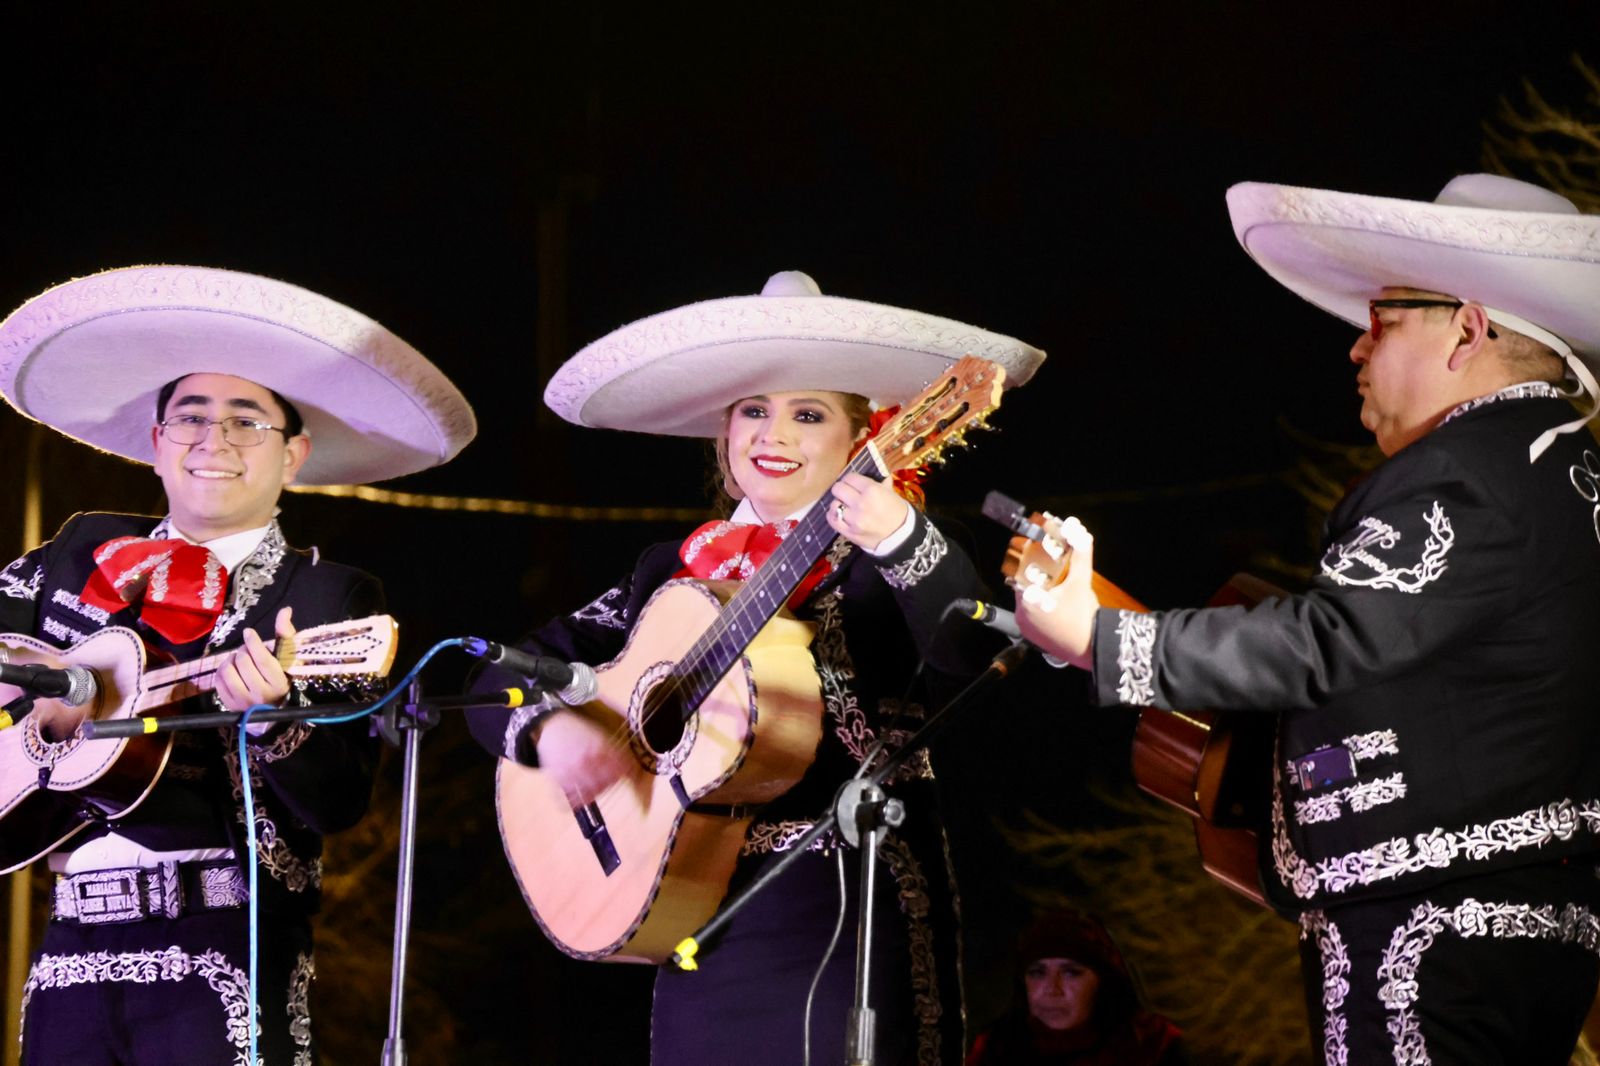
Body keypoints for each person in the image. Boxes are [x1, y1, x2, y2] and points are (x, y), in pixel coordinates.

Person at [1014, 174, 1600, 1064]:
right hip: (1524, 928)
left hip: (1424, 937)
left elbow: (1332, 638)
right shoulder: (1558, 475)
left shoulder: (1468, 471)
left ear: (1468, 330)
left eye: (1383, 322)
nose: (1356, 353)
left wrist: (1102, 640)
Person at [467, 270, 1044, 1065]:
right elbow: (492, 679)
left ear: (862, 438)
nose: (774, 436)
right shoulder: (666, 571)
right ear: (724, 439)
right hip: (695, 909)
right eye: (753, 412)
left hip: (845, 906)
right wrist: (553, 732)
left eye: (808, 415)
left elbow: (969, 657)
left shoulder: (888, 554)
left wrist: (902, 539)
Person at [0, 265, 475, 1064]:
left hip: (226, 942)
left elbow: (339, 798)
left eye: (246, 422)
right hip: (70, 937)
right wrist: (25, 680)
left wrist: (275, 720)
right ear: (156, 446)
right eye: (190, 419)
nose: (212, 441)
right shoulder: (82, 550)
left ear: (294, 456)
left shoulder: (327, 596)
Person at [965, 909, 1185, 1066]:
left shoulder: (1151, 1046)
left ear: (1102, 982)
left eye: (1071, 973)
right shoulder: (996, 1050)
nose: (1053, 989)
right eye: (1037, 973)